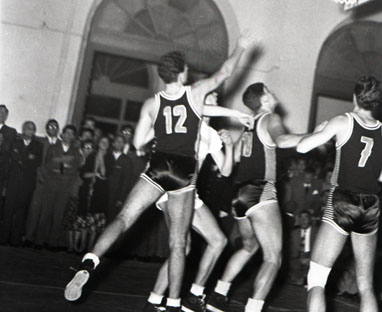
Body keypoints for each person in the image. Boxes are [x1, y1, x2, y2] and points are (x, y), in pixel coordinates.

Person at [64, 34, 255, 310]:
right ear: (182, 72)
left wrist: (161, 128)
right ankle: (174, 303)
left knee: (124, 217)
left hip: (157, 165)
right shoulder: (195, 92)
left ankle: (90, 261)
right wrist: (241, 47)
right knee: (178, 244)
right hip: (183, 170)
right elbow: (225, 72)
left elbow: (138, 142)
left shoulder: (152, 103)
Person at [294, 75, 382, 312]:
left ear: (355, 97)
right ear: (376, 102)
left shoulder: (342, 121)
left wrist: (319, 131)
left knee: (317, 279)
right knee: (366, 286)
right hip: (370, 204)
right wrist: (367, 171)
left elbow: (302, 147)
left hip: (343, 198)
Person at [204, 82, 307, 312]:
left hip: (238, 194)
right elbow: (283, 141)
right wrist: (316, 136)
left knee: (249, 246)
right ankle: (253, 308)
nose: (274, 93)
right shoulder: (270, 118)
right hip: (260, 189)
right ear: (264, 100)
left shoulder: (250, 125)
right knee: (273, 257)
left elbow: (238, 156)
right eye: (270, 92)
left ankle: (218, 296)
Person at [145, 125, 236, 312]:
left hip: (190, 194)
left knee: (218, 241)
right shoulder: (185, 121)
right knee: (182, 246)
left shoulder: (210, 133)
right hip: (171, 188)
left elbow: (226, 171)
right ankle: (156, 301)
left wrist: (229, 146)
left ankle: (193, 296)